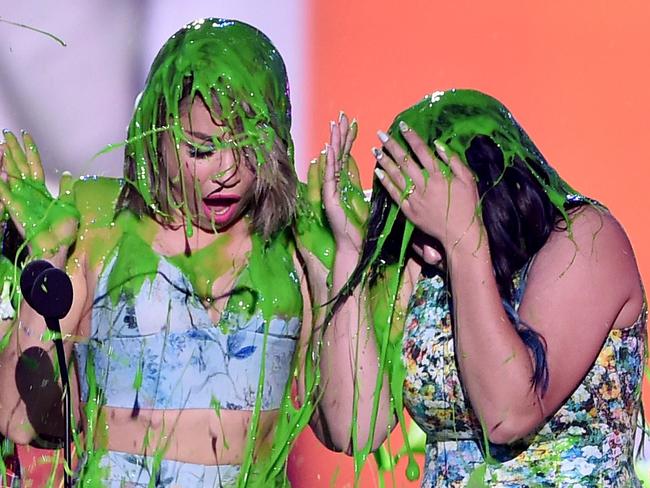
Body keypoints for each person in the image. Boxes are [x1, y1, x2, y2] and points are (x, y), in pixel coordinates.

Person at [0, 18, 334, 487]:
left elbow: (357, 430)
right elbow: (19, 421)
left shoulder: (296, 245)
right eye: (202, 151)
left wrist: (336, 259)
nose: (228, 172)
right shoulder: (101, 232)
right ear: (157, 139)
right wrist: (48, 257)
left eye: (250, 150)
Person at [320, 89, 646, 486]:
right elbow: (357, 429)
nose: (426, 248)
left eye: (437, 219)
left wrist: (462, 239)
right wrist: (349, 251)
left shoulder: (587, 239)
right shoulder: (423, 259)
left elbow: (509, 414)